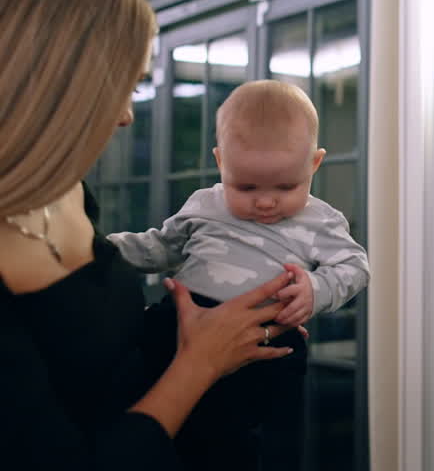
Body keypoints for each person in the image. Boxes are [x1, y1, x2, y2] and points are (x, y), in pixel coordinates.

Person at [0, 0, 298, 469]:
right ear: (61, 88)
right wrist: (200, 363)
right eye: (127, 87)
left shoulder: (69, 191)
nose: (125, 118)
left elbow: (99, 353)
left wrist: (229, 312)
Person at [108, 79, 371, 471]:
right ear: (220, 162)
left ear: (314, 163)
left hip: (264, 348)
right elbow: (160, 246)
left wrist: (315, 289)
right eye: (245, 186)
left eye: (286, 186)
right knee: (159, 427)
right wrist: (100, 251)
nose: (265, 202)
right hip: (178, 326)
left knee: (252, 447)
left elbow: (355, 266)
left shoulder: (320, 220)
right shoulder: (205, 204)